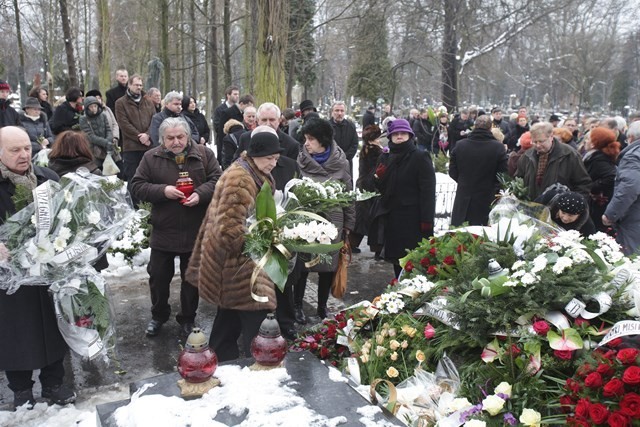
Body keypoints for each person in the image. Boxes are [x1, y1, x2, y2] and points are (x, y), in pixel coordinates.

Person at [186, 129, 283, 361]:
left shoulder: (253, 171)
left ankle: (220, 363)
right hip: (237, 262)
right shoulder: (240, 179)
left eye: (276, 159)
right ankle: (257, 365)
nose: (273, 163)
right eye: (269, 158)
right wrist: (261, 244)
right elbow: (229, 229)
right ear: (255, 154)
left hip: (232, 264)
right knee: (256, 314)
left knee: (228, 319)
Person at [0, 126, 76, 409]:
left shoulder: (47, 178)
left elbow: (67, 215)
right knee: (15, 330)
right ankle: (20, 389)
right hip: (11, 277)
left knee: (52, 326)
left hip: (48, 269)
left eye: (27, 148)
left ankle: (53, 383)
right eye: (15, 150)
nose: (24, 155)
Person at [130, 117, 221, 337]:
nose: (176, 142)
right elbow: (137, 186)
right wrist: (163, 191)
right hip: (164, 229)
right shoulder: (151, 157)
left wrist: (200, 194)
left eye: (180, 137)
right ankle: (158, 315)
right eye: (170, 138)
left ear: (188, 136)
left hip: (195, 229)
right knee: (158, 277)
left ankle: (188, 318)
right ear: (162, 139)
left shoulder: (204, 154)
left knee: (192, 279)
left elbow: (218, 179)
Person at [295, 117, 355, 320]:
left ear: (323, 140)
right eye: (305, 138)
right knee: (302, 266)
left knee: (328, 267)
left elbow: (348, 194)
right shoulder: (300, 159)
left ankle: (322, 306)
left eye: (311, 139)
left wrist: (348, 224)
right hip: (305, 221)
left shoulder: (341, 161)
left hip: (332, 221)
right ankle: (297, 307)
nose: (306, 143)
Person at [371, 118, 436, 278]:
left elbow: (428, 191)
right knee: (396, 260)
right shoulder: (385, 157)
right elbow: (379, 188)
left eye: (403, 133)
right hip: (392, 217)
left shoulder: (420, 157)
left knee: (413, 261)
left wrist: (427, 220)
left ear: (409, 135)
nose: (399, 136)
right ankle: (399, 287)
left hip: (413, 219)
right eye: (396, 134)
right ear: (391, 137)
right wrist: (378, 178)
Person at [449, 115, 508, 226]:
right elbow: (503, 175)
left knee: (460, 235)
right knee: (481, 236)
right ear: (490, 128)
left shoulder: (460, 145)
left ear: (474, 127)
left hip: (464, 195)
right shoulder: (498, 147)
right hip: (486, 197)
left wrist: (464, 181)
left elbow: (452, 171)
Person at [515, 122, 592, 201]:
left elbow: (583, 184)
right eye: (534, 142)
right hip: (531, 207)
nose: (538, 145)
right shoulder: (527, 156)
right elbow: (518, 180)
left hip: (559, 209)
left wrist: (573, 203)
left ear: (551, 137)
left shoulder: (569, 155)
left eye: (541, 141)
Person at [603, 121, 640, 255]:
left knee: (632, 263)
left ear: (630, 138)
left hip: (634, 219)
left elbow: (630, 187)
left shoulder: (633, 156)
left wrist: (611, 214)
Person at [114, 74, 156, 184]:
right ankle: (133, 201)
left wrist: (147, 135)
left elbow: (154, 120)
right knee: (133, 179)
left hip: (148, 146)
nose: (139, 87)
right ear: (129, 85)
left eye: (141, 85)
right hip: (131, 148)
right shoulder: (120, 103)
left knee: (149, 178)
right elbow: (123, 124)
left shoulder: (148, 101)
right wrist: (139, 137)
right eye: (136, 85)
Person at [349, 124, 384, 255]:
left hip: (363, 184)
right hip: (372, 185)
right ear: (373, 138)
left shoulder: (365, 149)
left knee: (361, 217)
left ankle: (352, 243)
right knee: (375, 217)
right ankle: (377, 249)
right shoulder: (377, 152)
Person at [233, 102, 300, 162]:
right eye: (264, 120)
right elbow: (236, 164)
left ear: (279, 120)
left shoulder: (291, 145)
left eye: (272, 120)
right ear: (258, 120)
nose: (268, 124)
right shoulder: (246, 138)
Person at [582, 127, 619, 233]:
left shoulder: (599, 159)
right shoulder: (595, 156)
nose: (585, 141)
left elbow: (611, 176)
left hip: (599, 205)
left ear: (594, 143)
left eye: (588, 139)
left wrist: (592, 187)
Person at [79, 96, 114, 170]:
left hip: (106, 148)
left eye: (95, 106)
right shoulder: (83, 119)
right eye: (91, 107)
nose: (94, 108)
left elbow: (108, 129)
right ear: (87, 108)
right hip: (94, 150)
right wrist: (105, 142)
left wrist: (109, 140)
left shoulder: (103, 115)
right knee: (96, 170)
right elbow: (90, 136)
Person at [330, 101, 359, 178]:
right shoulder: (326, 126)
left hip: (347, 163)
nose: (339, 113)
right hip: (330, 164)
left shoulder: (351, 126)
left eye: (342, 111)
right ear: (332, 112)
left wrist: (344, 157)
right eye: (337, 110)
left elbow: (354, 144)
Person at [213, 85, 239, 160]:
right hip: (223, 141)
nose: (237, 96)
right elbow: (217, 127)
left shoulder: (239, 109)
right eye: (235, 94)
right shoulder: (219, 110)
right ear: (228, 95)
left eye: (238, 94)